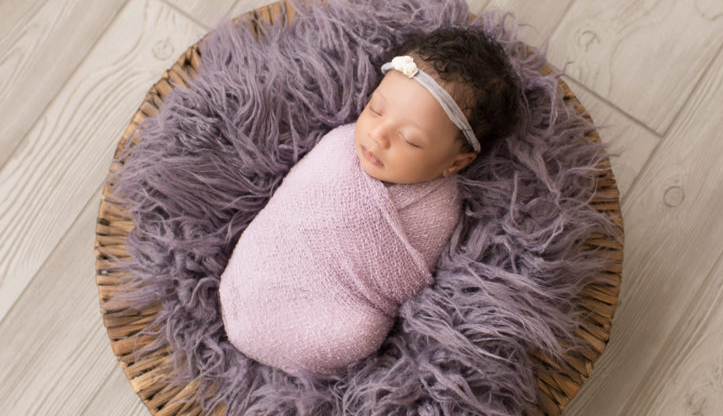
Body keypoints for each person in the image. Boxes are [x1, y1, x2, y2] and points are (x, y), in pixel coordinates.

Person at [218, 26, 520, 377]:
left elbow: (405, 280)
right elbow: (289, 208)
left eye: (409, 139)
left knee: (361, 331)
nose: (377, 134)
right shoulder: (338, 145)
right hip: (259, 275)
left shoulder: (440, 211)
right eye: (376, 109)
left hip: (333, 310)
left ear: (454, 163)